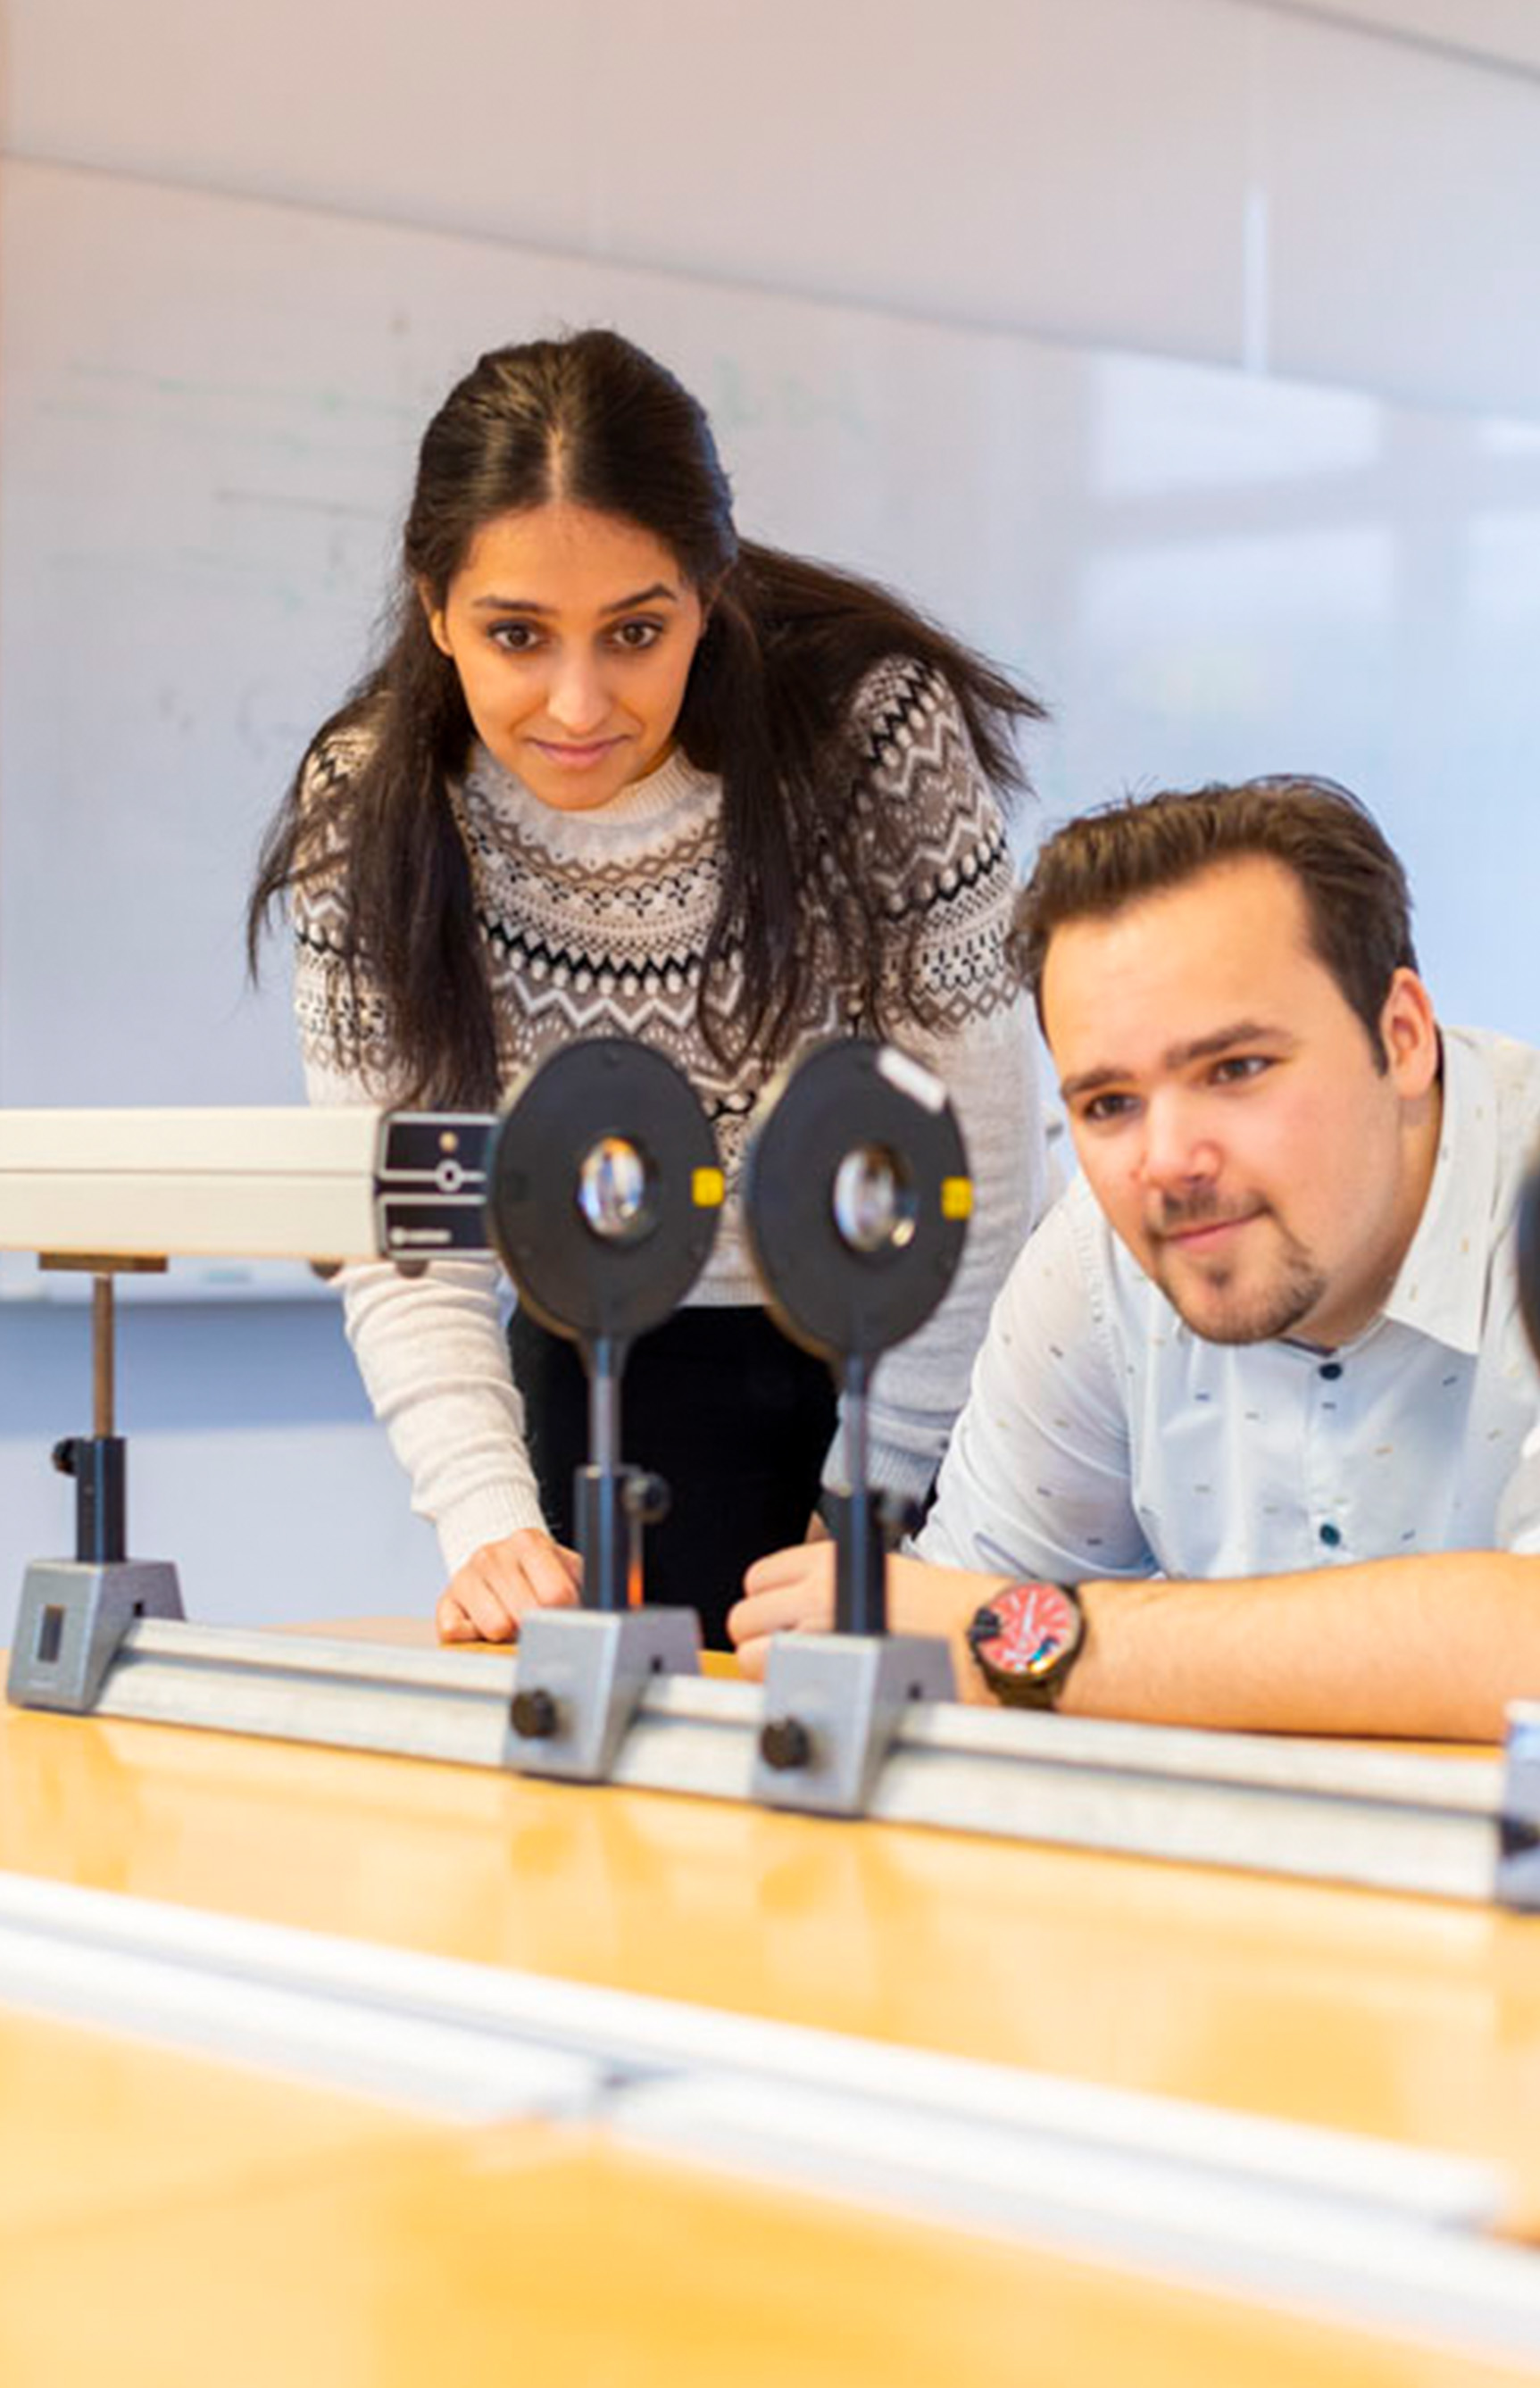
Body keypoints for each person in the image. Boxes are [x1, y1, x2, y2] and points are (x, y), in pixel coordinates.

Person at [731, 777, 1540, 1779]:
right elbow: (944, 1657)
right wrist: (976, 1637)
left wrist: (1027, 1641)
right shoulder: (1100, 1260)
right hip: (1414, 1942)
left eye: (1238, 1068)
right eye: (1107, 1103)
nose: (1167, 1160)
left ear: (1400, 1036)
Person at [249, 329, 1047, 1650]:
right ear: (436, 608)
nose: (578, 703)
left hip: (908, 1352)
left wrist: (874, 1501)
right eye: (516, 636)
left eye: (635, 631)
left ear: (709, 593)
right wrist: (490, 1525)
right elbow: (410, 1223)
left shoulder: (872, 739)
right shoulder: (373, 801)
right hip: (602, 1353)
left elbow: (973, 1163)